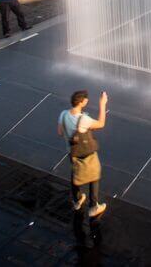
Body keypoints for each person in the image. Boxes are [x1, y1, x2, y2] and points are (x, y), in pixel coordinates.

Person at [57, 90, 108, 218]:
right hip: (86, 153)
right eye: (86, 99)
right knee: (94, 176)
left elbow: (60, 132)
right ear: (81, 102)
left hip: (72, 152)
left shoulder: (63, 114)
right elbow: (101, 124)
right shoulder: (83, 119)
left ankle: (77, 200)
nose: (87, 101)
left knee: (76, 175)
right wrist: (103, 104)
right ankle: (93, 207)